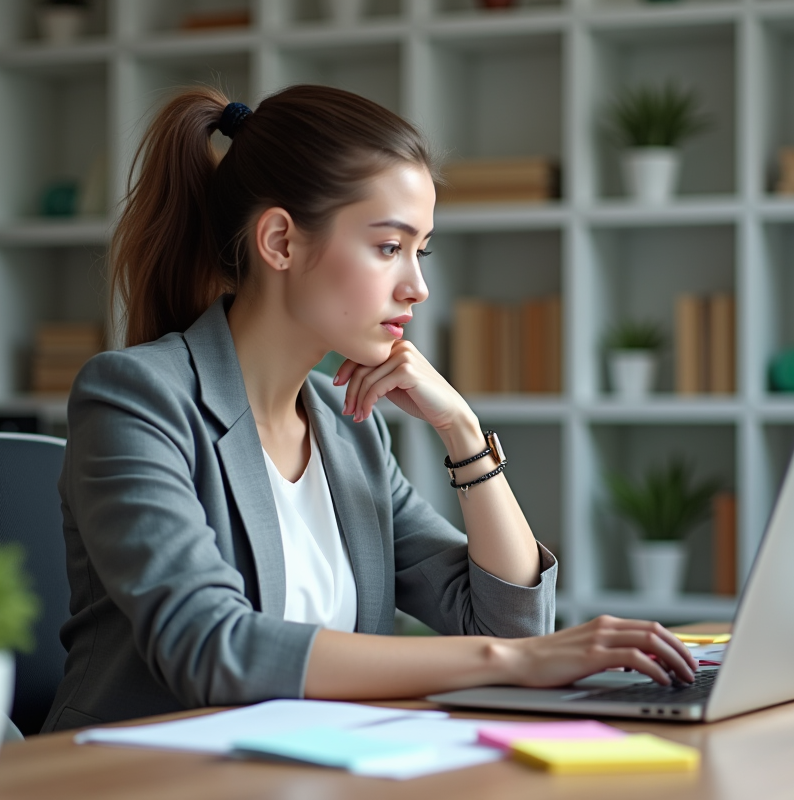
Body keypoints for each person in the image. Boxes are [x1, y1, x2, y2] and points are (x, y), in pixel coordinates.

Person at [42, 85, 696, 732]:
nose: (418, 286)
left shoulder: (345, 429)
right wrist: (511, 660)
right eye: (389, 247)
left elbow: (509, 620)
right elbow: (215, 649)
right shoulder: (135, 397)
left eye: (421, 249)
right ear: (280, 242)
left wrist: (462, 431)